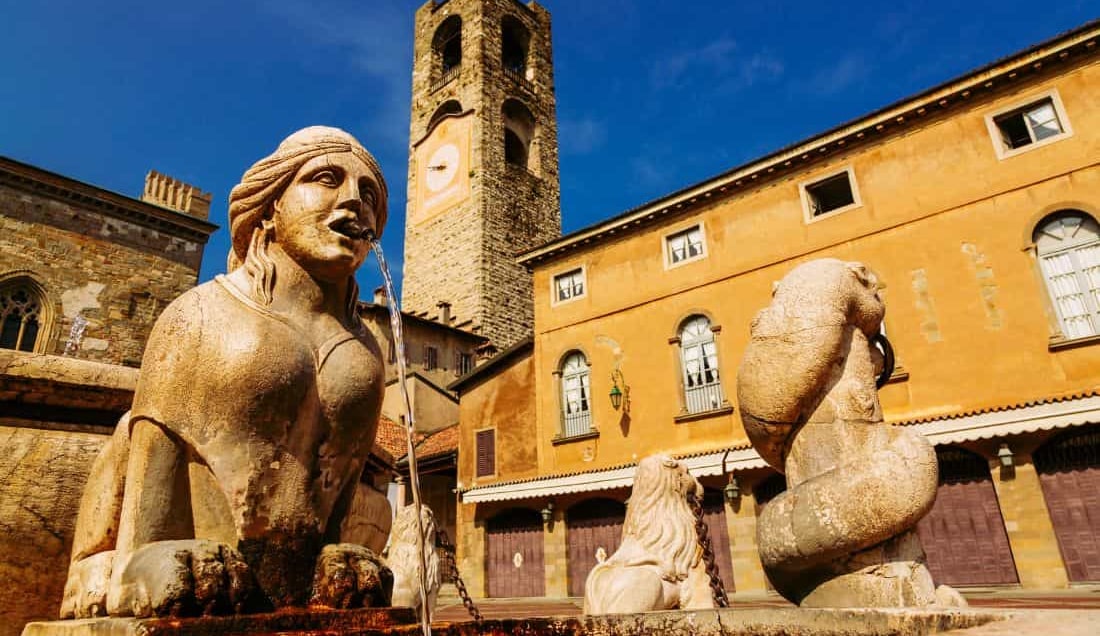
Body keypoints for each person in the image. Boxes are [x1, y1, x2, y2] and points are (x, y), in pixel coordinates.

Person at [62, 127, 393, 619]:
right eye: (326, 179)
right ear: (271, 207)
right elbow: (157, 450)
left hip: (290, 564)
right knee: (129, 431)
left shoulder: (366, 352)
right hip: (169, 538)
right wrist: (144, 557)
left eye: (369, 195)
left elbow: (340, 472)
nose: (354, 202)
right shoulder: (199, 313)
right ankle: (97, 563)